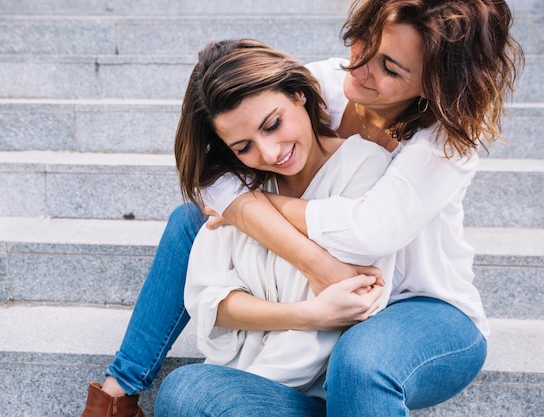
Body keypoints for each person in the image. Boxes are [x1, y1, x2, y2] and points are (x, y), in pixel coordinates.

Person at [80, 0, 523, 415]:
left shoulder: (447, 144)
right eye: (365, 41)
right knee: (193, 221)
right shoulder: (324, 85)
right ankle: (116, 396)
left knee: (361, 360)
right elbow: (212, 180)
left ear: (435, 81)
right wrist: (313, 265)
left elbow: (368, 233)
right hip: (321, 295)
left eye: (389, 67)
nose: (361, 69)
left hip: (423, 308)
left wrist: (256, 201)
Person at [174, 38, 396, 403]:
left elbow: (348, 309)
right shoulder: (238, 186)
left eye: (273, 124)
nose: (270, 153)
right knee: (183, 389)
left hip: (303, 395)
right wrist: (308, 314)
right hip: (233, 378)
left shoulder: (364, 168)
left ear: (298, 94)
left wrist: (231, 392)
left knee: (193, 392)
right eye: (243, 147)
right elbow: (209, 301)